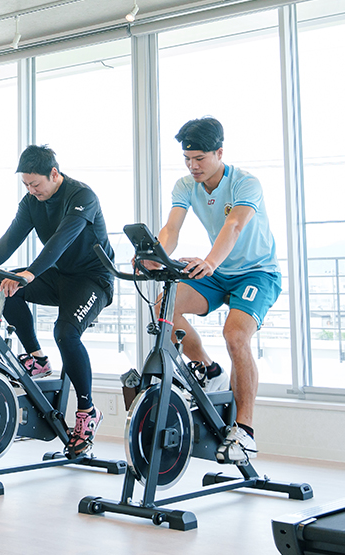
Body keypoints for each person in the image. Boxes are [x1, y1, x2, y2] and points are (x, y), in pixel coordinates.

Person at [0, 145, 114, 458]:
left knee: (66, 333)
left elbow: (62, 240)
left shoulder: (82, 197)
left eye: (36, 184)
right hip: (59, 275)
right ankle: (37, 358)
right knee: (6, 287)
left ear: (54, 174)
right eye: (27, 186)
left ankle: (87, 412)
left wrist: (30, 273)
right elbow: (11, 237)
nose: (32, 191)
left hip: (93, 279)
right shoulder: (32, 201)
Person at [149, 117, 281, 465]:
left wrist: (208, 261)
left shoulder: (246, 183)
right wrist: (156, 256)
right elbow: (171, 228)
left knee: (235, 336)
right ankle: (209, 369)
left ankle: (244, 431)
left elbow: (235, 224)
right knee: (167, 304)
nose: (193, 166)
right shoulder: (185, 185)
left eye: (200, 159)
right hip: (218, 272)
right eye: (187, 159)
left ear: (219, 152)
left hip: (257, 273)